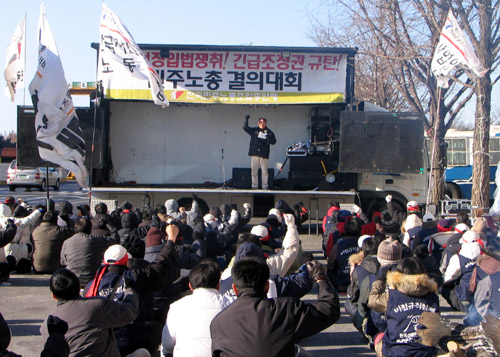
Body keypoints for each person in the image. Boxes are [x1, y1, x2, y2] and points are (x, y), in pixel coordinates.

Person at [210, 258, 339, 356]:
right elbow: (328, 310)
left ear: (235, 289)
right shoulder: (285, 309)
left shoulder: (218, 323)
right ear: (267, 286)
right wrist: (321, 278)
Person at [40, 268, 139, 357]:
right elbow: (130, 313)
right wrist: (129, 290)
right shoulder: (97, 305)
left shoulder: (47, 326)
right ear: (79, 287)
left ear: (54, 296)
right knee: (142, 353)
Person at [368, 256, 439, 357]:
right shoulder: (433, 297)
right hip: (426, 353)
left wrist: (380, 280)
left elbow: (372, 302)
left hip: (396, 352)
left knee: (379, 337)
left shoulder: (391, 296)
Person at [161, 260, 233, 357]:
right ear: (218, 285)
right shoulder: (231, 304)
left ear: (190, 286)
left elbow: (167, 346)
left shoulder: (177, 307)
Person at [60, 217, 120, 286]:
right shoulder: (94, 240)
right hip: (91, 280)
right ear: (90, 229)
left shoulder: (67, 242)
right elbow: (115, 239)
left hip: (72, 280)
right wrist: (108, 224)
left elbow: (62, 262)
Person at [243, 115, 276, 190]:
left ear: (266, 123)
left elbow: (273, 142)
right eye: (260, 122)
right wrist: (246, 120)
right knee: (254, 171)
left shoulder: (268, 131)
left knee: (264, 172)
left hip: (264, 155)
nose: (262, 124)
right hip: (255, 154)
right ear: (258, 123)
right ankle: (254, 186)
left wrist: (270, 136)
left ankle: (265, 186)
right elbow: (245, 128)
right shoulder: (254, 130)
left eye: (263, 122)